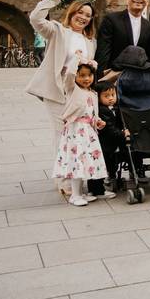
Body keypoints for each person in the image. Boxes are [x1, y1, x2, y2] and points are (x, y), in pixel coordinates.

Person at [26, 0, 97, 162]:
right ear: (72, 13)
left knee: (77, 132)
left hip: (77, 92)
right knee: (62, 133)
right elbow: (35, 19)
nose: (83, 18)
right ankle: (63, 179)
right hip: (58, 89)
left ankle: (76, 173)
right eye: (80, 12)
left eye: (88, 15)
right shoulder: (57, 31)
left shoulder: (90, 41)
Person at [53, 62, 108, 207]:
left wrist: (98, 121)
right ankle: (75, 195)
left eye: (89, 75)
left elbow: (92, 113)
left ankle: (80, 193)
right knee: (76, 161)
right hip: (76, 130)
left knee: (85, 161)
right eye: (82, 75)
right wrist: (76, 60)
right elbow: (69, 75)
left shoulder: (92, 93)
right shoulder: (72, 89)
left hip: (88, 132)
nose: (86, 79)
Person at [95, 0, 150, 79]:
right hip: (114, 75)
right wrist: (101, 77)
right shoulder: (111, 19)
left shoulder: (149, 27)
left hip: (138, 77)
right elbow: (103, 50)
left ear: (147, 1)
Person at [89, 82, 123, 199]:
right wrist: (122, 133)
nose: (111, 98)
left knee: (105, 163)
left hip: (108, 143)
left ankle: (95, 188)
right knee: (102, 164)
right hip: (104, 143)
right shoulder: (103, 111)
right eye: (106, 96)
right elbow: (109, 128)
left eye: (113, 95)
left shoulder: (114, 108)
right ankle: (98, 189)